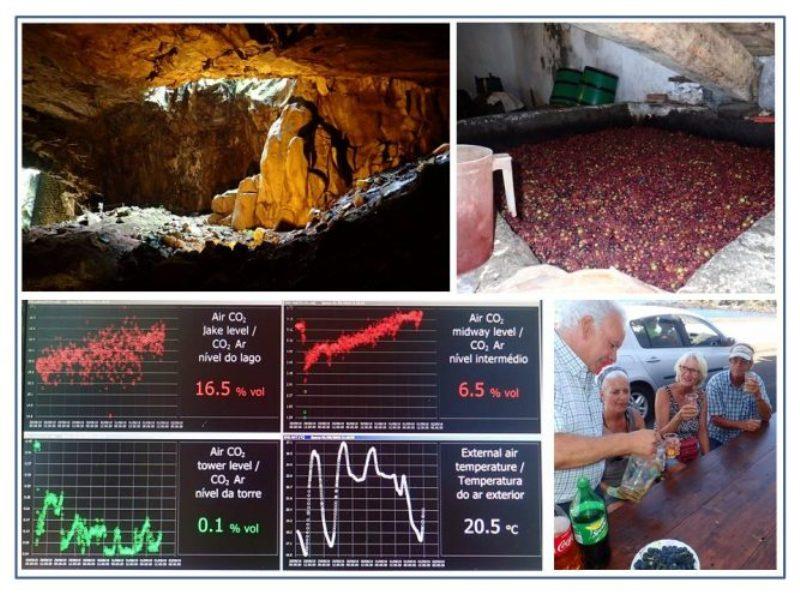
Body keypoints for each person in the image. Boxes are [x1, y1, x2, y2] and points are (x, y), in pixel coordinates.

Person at [554, 300, 659, 507]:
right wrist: (628, 442)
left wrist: (644, 445)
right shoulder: (544, 363)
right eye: (612, 345)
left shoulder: (585, 370)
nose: (614, 357)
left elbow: (590, 432)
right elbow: (549, 449)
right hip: (559, 509)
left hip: (589, 496)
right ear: (586, 326)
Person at [706, 343, 772, 450]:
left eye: (743, 361)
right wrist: (742, 424)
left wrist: (758, 396)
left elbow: (767, 417)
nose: (738, 364)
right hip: (719, 437)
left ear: (750, 365)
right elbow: (715, 420)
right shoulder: (716, 381)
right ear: (729, 362)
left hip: (746, 435)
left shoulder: (755, 380)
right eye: (734, 360)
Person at [598, 366, 644, 500]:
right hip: (608, 488)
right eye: (615, 392)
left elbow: (649, 453)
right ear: (602, 395)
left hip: (636, 482)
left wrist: (663, 444)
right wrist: (613, 491)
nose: (623, 397)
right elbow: (587, 475)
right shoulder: (594, 424)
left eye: (626, 391)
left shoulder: (634, 415)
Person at [654, 352, 711, 460]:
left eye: (693, 370)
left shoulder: (701, 395)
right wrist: (679, 417)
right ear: (678, 369)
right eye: (684, 368)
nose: (687, 374)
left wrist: (708, 458)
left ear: (700, 375)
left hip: (690, 450)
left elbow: (702, 431)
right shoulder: (664, 393)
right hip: (669, 451)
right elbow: (661, 435)